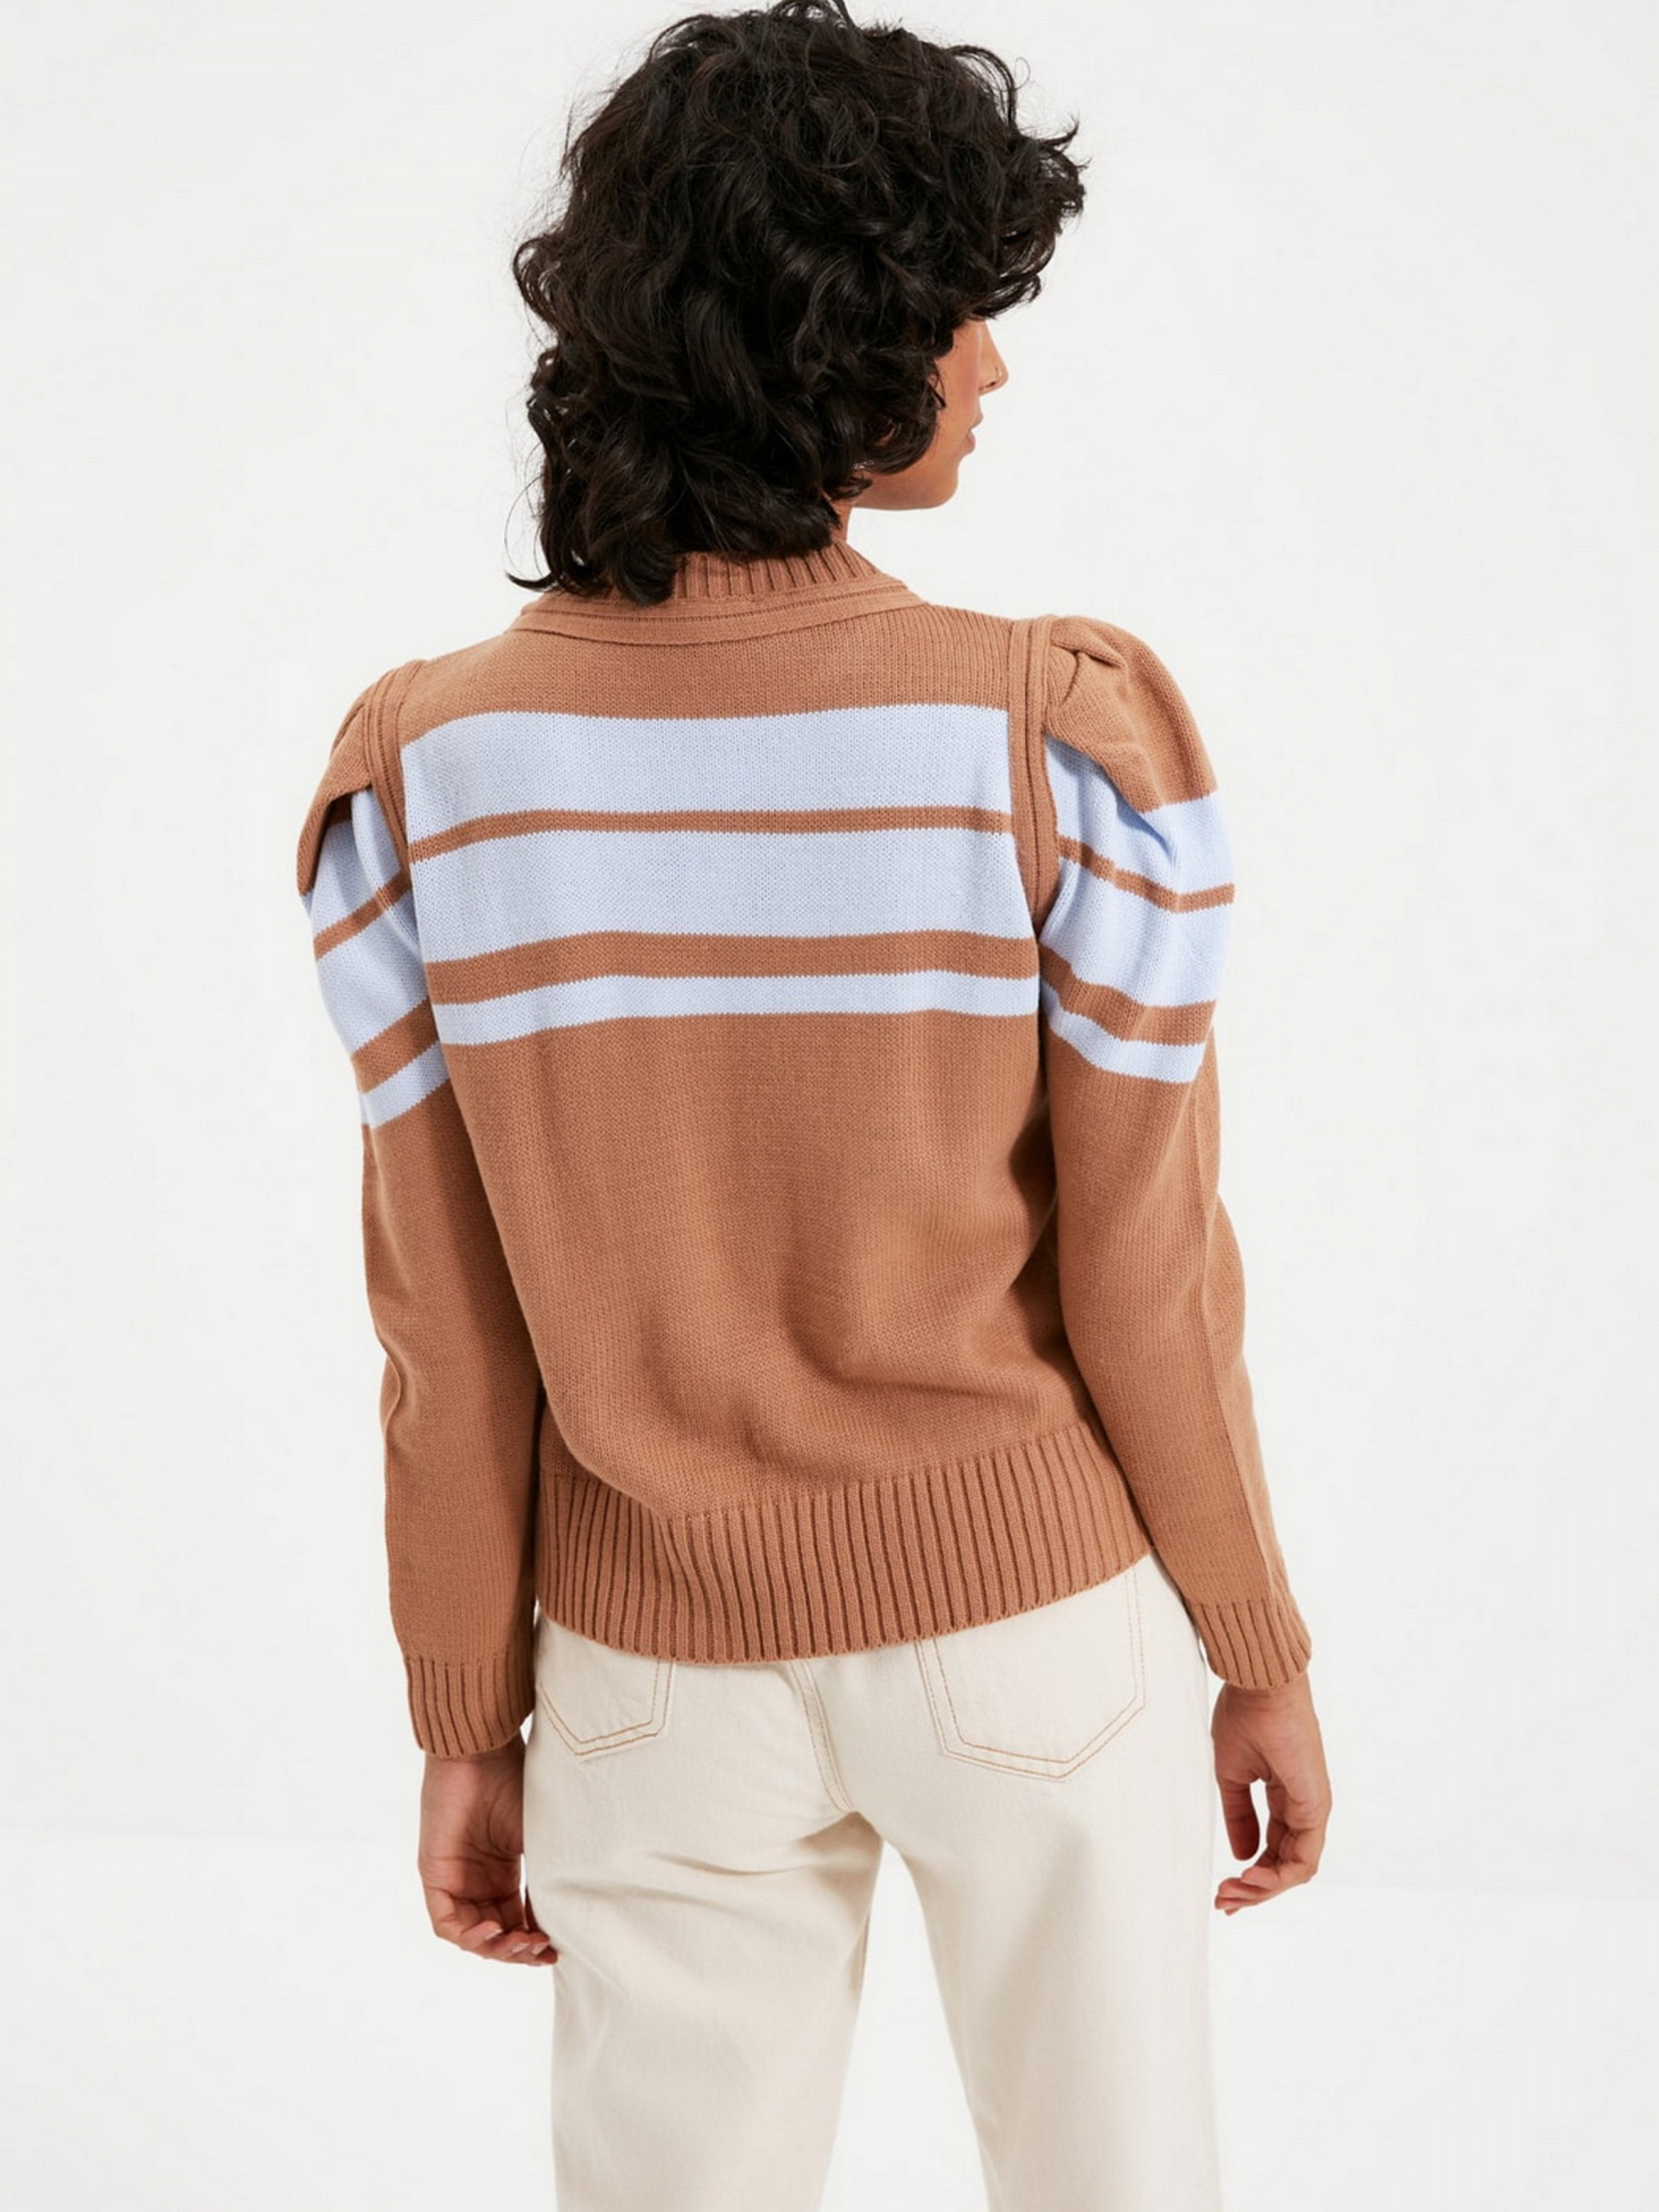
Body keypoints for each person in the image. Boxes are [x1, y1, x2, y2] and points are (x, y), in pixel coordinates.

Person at [296, 2, 1331, 2205]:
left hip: (645, 1673)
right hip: (1032, 1632)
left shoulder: (426, 772)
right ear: (837, 335)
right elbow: (1147, 1274)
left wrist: (464, 1711)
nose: (994, 366)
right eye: (962, 308)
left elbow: (443, 1332)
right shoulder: (1054, 736)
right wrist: (1254, 1643)